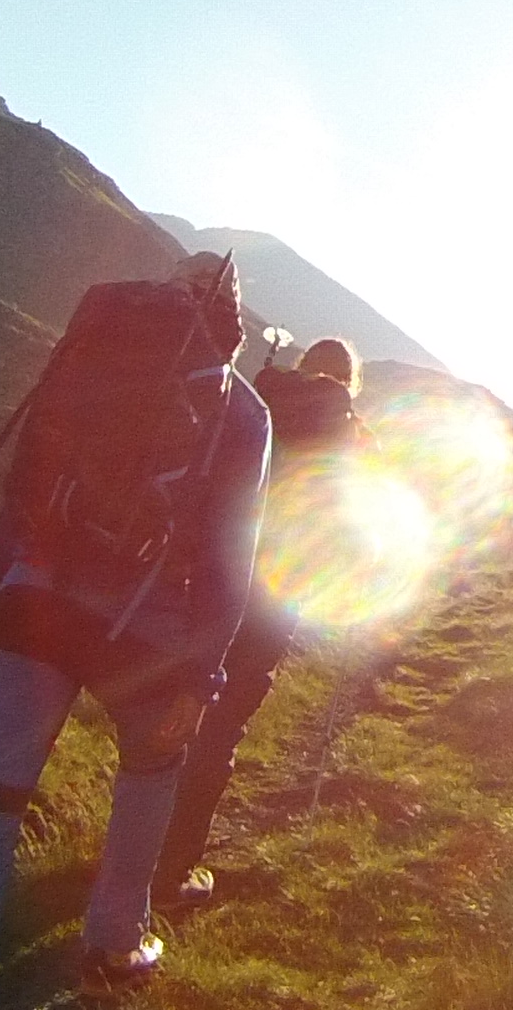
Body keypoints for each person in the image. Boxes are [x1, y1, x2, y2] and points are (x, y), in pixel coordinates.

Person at [0, 252, 272, 1007]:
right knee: (150, 771)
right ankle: (115, 939)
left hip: (35, 608)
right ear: (232, 323)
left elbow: (23, 484)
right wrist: (202, 677)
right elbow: (226, 561)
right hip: (146, 634)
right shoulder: (241, 411)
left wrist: (15, 574)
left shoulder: (88, 359)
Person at [153, 334, 368, 909]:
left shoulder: (260, 396)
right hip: (277, 596)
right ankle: (171, 874)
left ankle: (132, 845)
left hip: (209, 574)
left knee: (175, 703)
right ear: (348, 383)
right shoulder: (343, 430)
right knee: (222, 727)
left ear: (303, 369)